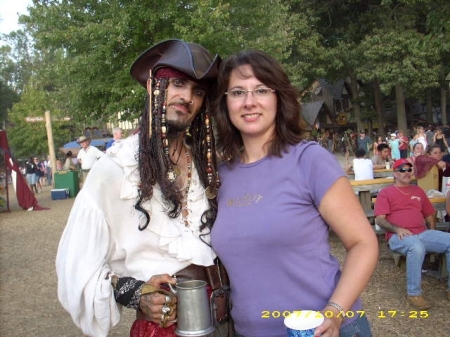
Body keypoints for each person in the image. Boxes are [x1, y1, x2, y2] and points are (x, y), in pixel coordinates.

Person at [56, 39, 228, 337]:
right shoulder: (115, 169)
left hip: (226, 320)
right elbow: (76, 268)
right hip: (163, 327)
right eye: (176, 84)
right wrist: (135, 293)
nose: (186, 96)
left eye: (197, 91)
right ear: (153, 87)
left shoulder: (208, 165)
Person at [210, 50, 378, 337]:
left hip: (320, 330)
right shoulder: (220, 176)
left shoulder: (309, 160)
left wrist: (335, 312)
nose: (249, 102)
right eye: (237, 92)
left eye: (261, 90)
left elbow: (363, 243)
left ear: (279, 98)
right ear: (225, 103)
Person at [374, 158, 450, 308]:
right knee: (416, 247)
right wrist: (397, 229)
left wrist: (432, 232)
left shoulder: (418, 191)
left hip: (421, 233)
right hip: (398, 236)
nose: (407, 172)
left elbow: (428, 214)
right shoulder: (386, 193)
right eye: (402, 170)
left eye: (409, 169)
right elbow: (379, 220)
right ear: (395, 174)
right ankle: (414, 293)